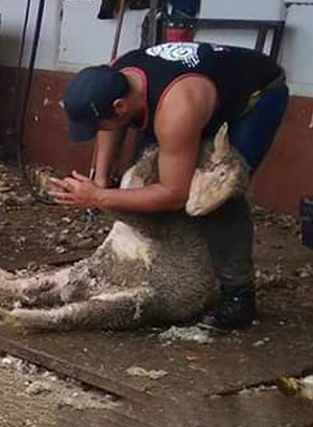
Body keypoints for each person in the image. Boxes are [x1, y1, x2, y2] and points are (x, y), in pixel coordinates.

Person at [52, 41, 288, 331]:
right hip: (199, 93)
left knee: (215, 192)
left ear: (120, 106)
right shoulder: (115, 79)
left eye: (98, 123)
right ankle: (157, 267)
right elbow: (110, 127)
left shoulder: (175, 109)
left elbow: (174, 194)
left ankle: (238, 295)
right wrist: (101, 177)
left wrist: (100, 196)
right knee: (145, 171)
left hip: (255, 98)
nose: (98, 130)